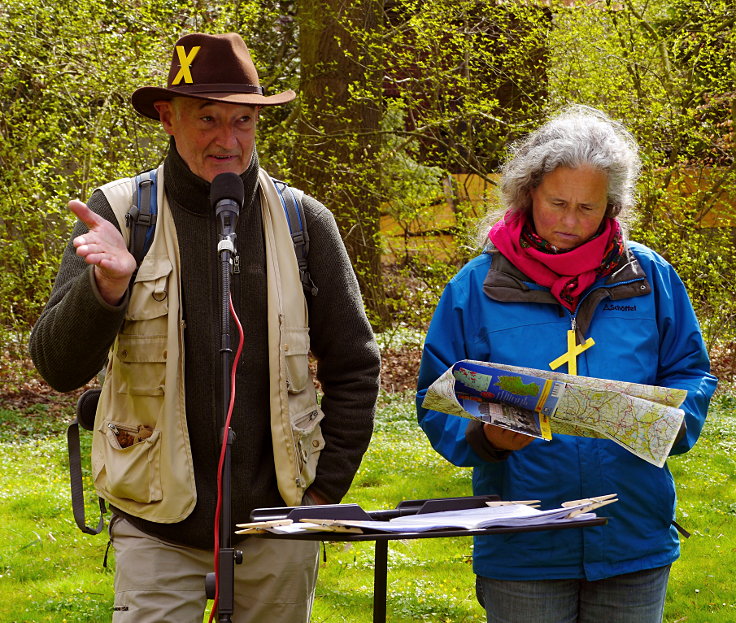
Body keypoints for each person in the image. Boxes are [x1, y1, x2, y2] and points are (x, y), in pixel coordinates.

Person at [29, 32, 380, 623]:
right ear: (168, 118)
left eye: (243, 121)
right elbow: (56, 366)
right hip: (155, 525)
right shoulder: (120, 214)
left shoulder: (304, 221)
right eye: (208, 119)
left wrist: (322, 494)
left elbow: (355, 364)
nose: (228, 139)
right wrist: (105, 290)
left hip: (280, 524)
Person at [416, 105, 717, 623]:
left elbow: (690, 370)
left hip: (630, 533)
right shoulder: (476, 285)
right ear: (528, 190)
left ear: (612, 206)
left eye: (588, 207)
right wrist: (486, 440)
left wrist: (671, 419)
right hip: (523, 542)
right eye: (557, 203)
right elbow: (437, 392)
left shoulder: (650, 276)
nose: (570, 223)